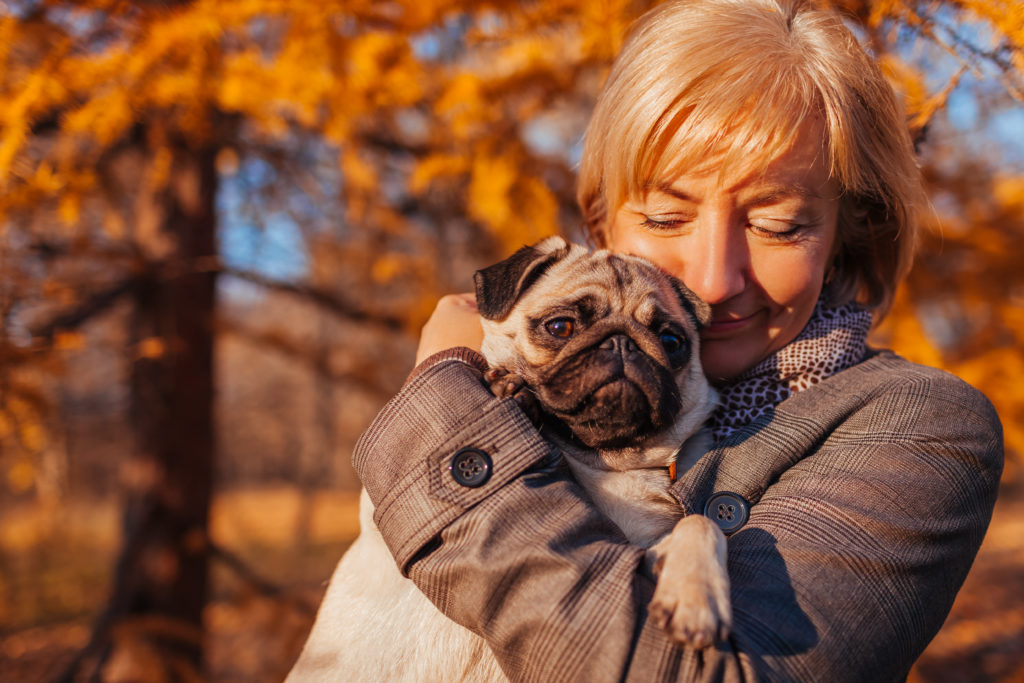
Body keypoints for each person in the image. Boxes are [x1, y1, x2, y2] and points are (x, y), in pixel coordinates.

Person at [352, 0, 1004, 680]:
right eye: (666, 216)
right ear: (599, 225)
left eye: (779, 225)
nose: (716, 280)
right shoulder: (518, 354)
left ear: (845, 238)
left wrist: (446, 400)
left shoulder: (918, 423)